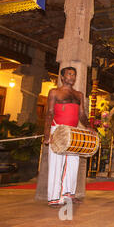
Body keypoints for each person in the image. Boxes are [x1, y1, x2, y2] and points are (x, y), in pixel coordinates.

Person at [43, 67, 90, 208]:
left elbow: (81, 114)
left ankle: (69, 194)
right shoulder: (54, 92)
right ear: (62, 77)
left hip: (73, 132)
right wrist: (47, 135)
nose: (72, 76)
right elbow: (49, 113)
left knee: (73, 163)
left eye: (74, 74)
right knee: (57, 163)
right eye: (69, 74)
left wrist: (89, 127)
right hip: (58, 130)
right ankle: (54, 197)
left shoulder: (79, 95)